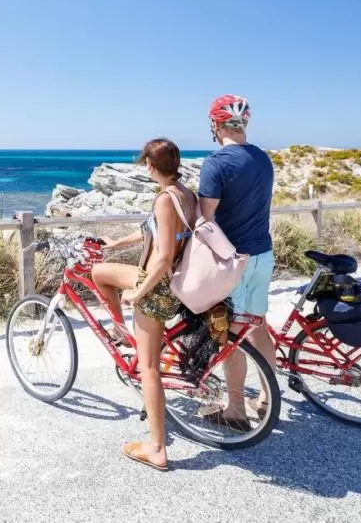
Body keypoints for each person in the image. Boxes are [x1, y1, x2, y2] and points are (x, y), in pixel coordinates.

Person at [91, 138, 196, 472]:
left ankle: (157, 449)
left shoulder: (165, 200)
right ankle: (122, 331)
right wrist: (117, 242)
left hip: (156, 286)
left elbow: (164, 255)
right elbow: (157, 234)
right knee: (99, 272)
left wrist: (138, 293)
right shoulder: (185, 194)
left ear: (150, 166)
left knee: (149, 370)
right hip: (167, 280)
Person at [196, 94, 276, 432]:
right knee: (258, 326)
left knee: (231, 334)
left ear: (215, 125)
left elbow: (205, 217)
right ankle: (269, 399)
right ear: (245, 123)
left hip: (235, 260)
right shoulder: (263, 158)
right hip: (263, 253)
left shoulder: (217, 163)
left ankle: (236, 410)